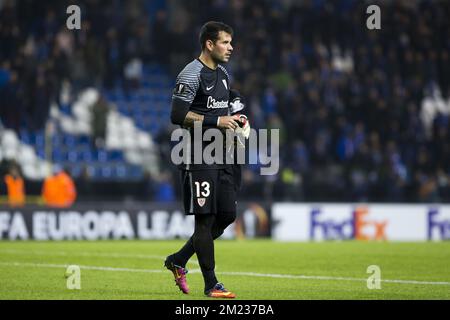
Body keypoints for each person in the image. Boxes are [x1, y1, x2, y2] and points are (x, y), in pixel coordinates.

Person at [164, 21, 250, 298]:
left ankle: (178, 259)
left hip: (222, 155)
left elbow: (224, 109)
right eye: (225, 42)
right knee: (205, 220)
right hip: (197, 155)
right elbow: (177, 115)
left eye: (231, 42)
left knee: (227, 216)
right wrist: (218, 120)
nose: (231, 47)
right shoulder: (190, 75)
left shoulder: (223, 73)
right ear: (209, 44)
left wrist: (237, 119)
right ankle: (211, 284)